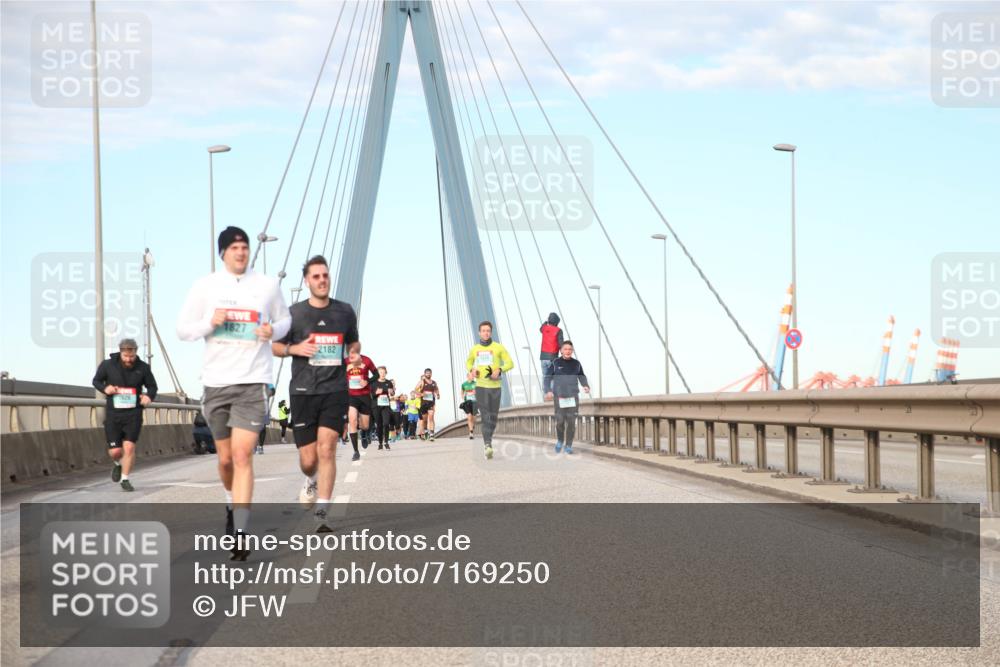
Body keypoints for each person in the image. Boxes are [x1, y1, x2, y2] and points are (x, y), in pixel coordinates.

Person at [177, 226, 290, 559]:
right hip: (216, 383)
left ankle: (240, 530)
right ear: (223, 253)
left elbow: (285, 321)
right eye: (234, 247)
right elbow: (183, 329)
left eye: (244, 247)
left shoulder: (267, 286)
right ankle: (231, 503)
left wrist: (273, 330)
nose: (241, 252)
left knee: (242, 457)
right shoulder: (206, 287)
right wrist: (210, 323)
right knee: (225, 459)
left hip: (253, 382)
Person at [273, 255, 356, 531]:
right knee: (309, 460)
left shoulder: (345, 312)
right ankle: (310, 479)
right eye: (316, 276)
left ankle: (322, 512)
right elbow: (275, 347)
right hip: (303, 392)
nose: (322, 280)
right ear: (307, 281)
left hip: (334, 389)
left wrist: (353, 355)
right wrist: (295, 349)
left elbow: (353, 343)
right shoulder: (293, 314)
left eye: (325, 275)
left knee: (328, 449)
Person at [92, 338, 158, 492]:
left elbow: (152, 386)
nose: (129, 359)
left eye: (132, 356)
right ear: (120, 352)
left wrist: (149, 396)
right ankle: (117, 464)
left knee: (129, 448)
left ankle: (125, 478)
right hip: (114, 413)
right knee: (116, 452)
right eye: (126, 356)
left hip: (134, 413)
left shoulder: (143, 368)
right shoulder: (107, 365)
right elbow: (96, 381)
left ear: (135, 352)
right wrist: (105, 388)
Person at [466, 321, 514, 460]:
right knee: (486, 415)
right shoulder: (475, 349)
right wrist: (472, 369)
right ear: (479, 333)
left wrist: (499, 370)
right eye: (483, 330)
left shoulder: (498, 347)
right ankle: (487, 445)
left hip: (495, 388)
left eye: (488, 330)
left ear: (491, 332)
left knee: (493, 418)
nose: (486, 333)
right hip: (481, 386)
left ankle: (489, 441)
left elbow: (510, 363)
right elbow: (469, 361)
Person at [543, 340, 591, 454]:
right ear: (561, 351)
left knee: (571, 422)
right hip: (559, 397)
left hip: (572, 397)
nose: (568, 351)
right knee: (560, 421)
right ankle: (560, 440)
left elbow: (582, 376)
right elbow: (547, 378)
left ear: (572, 351)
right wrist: (548, 390)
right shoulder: (555, 363)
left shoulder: (576, 363)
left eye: (570, 349)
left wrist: (585, 385)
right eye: (565, 349)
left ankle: (568, 445)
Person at [345, 342, 378, 460]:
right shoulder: (345, 362)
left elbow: (377, 374)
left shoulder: (367, 360)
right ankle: (355, 451)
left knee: (365, 425)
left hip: (364, 396)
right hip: (351, 396)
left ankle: (364, 434)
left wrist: (367, 381)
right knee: (352, 420)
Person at [414, 368, 440, 440]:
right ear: (425, 374)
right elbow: (415, 390)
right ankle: (425, 431)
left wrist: (438, 394)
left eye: (429, 373)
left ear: (431, 374)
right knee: (424, 420)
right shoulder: (422, 382)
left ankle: (431, 434)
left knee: (431, 416)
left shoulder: (434, 382)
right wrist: (421, 394)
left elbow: (436, 389)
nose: (428, 374)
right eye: (427, 373)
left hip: (431, 403)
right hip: (424, 403)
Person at [539, 312, 564, 378]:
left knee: (545, 379)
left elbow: (541, 328)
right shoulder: (558, 330)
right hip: (552, 358)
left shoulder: (544, 328)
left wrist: (546, 321)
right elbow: (561, 344)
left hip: (543, 358)